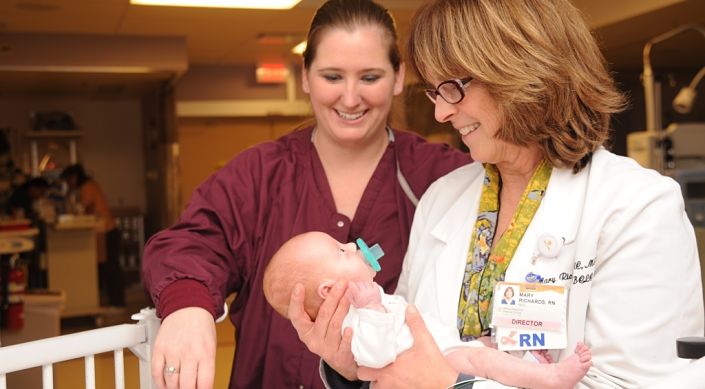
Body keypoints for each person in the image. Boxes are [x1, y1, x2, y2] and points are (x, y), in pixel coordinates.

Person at [289, 0, 705, 387]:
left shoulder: (637, 207)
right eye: (434, 92)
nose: (440, 112)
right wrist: (351, 366)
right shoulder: (443, 197)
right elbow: (405, 345)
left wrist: (452, 384)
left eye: (452, 87)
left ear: (520, 70)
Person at [141, 0, 471, 387]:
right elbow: (192, 243)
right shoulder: (260, 175)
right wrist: (188, 305)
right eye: (332, 77)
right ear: (305, 77)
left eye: (369, 77)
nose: (350, 98)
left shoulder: (440, 177)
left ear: (399, 78)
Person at [264, 231, 592, 389]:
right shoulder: (355, 320)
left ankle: (531, 364)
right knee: (483, 358)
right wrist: (374, 309)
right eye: (340, 251)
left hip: (442, 351)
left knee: (487, 352)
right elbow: (375, 359)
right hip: (438, 359)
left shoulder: (365, 303)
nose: (352, 246)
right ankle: (548, 377)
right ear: (327, 290)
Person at [61, 164, 125, 307]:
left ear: (74, 177)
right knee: (110, 268)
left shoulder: (87, 187)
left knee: (111, 268)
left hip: (107, 231)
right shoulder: (90, 186)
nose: (68, 184)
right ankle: (115, 302)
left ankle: (118, 303)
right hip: (107, 231)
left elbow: (84, 209)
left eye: (68, 180)